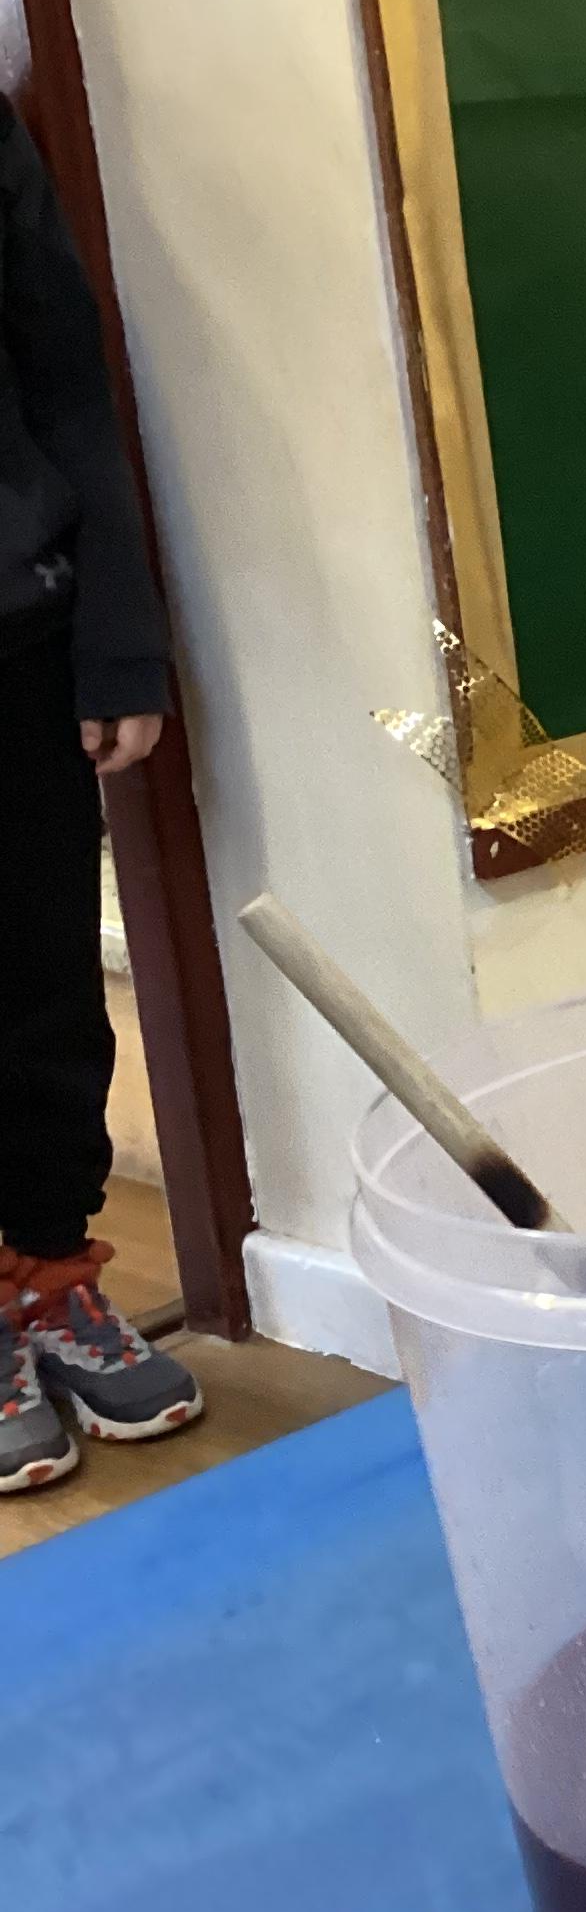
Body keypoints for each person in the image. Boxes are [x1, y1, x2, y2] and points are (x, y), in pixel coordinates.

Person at [0, 96, 203, 1492]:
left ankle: (53, 1271)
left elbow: (70, 380)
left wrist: (118, 638)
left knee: (42, 985)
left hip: (18, 636)